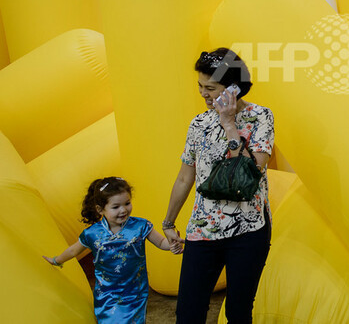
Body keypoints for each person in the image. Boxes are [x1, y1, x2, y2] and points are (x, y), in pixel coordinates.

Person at [163, 48, 274, 324]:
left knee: (238, 313)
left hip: (248, 231)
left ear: (234, 87)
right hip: (204, 230)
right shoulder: (199, 123)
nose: (203, 93)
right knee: (188, 314)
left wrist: (229, 124)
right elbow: (185, 177)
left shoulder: (261, 117)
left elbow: (250, 173)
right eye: (200, 86)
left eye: (210, 88)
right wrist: (168, 222)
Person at [43, 176, 181, 323]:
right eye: (116, 207)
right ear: (100, 209)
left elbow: (160, 242)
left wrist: (171, 245)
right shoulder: (92, 234)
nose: (123, 210)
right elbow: (73, 251)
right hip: (107, 293)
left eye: (127, 203)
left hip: (135, 291)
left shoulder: (140, 226)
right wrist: (56, 261)